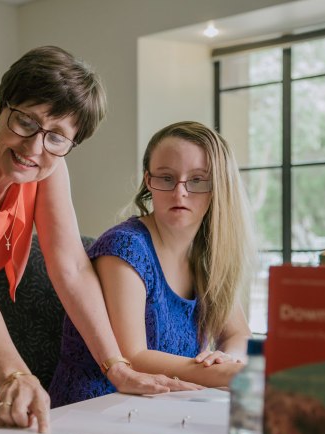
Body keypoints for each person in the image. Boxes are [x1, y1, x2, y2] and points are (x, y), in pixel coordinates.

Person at [0, 46, 193, 426]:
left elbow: (72, 269)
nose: (34, 147)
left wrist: (117, 367)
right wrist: (15, 375)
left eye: (57, 137)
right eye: (25, 123)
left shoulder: (47, 167)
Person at [48, 121, 254, 406]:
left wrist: (228, 357)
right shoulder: (124, 247)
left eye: (197, 180)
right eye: (166, 178)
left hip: (167, 406)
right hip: (99, 407)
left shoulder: (209, 254)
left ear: (218, 186)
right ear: (148, 181)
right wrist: (227, 374)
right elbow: (134, 356)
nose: (179, 192)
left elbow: (238, 333)